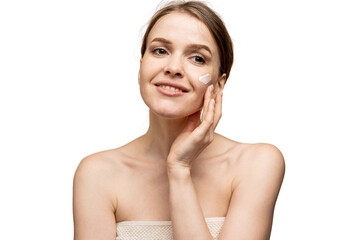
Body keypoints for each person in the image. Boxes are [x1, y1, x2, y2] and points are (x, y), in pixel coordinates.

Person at [73, 1, 285, 239]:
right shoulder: (98, 174)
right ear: (141, 65)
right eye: (160, 51)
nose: (173, 68)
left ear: (219, 83)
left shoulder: (256, 164)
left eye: (197, 58)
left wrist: (179, 169)